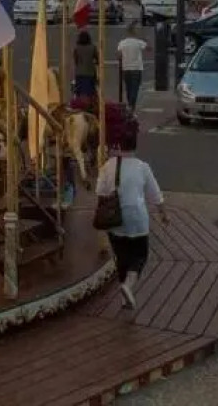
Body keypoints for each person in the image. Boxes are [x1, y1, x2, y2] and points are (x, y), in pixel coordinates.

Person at [94, 128, 167, 310]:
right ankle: (128, 285)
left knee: (122, 256)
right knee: (140, 255)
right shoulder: (142, 167)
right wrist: (163, 214)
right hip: (137, 219)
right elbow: (155, 194)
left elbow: (100, 192)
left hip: (115, 219)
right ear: (135, 145)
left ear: (118, 146)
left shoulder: (108, 165)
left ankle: (124, 297)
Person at [116, 25, 148, 110]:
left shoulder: (122, 43)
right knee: (135, 88)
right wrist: (144, 39)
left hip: (126, 68)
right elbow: (149, 48)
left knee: (128, 88)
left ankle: (130, 104)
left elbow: (118, 55)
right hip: (136, 68)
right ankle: (131, 105)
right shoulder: (138, 42)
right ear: (134, 32)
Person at [73, 30, 99, 100]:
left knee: (79, 91)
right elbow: (97, 59)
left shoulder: (76, 48)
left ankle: (80, 105)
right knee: (90, 92)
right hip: (90, 72)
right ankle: (90, 106)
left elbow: (76, 60)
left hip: (79, 73)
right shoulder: (93, 47)